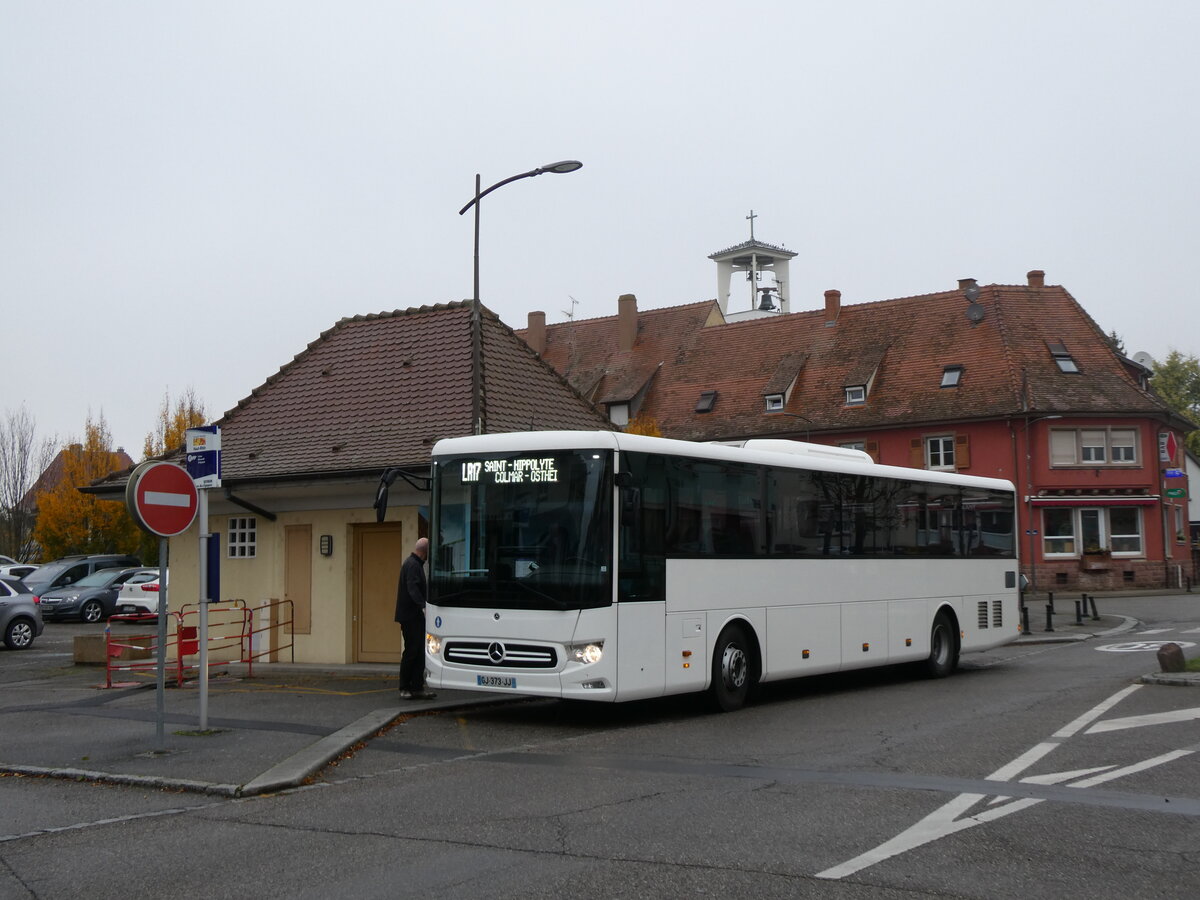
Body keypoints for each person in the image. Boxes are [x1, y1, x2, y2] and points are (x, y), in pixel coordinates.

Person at [394, 536, 436, 700]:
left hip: (413, 616)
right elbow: (412, 588)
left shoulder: (413, 564)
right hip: (411, 616)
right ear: (425, 552)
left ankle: (416, 687)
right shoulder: (412, 565)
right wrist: (423, 606)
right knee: (412, 651)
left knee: (418, 651)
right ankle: (405, 687)